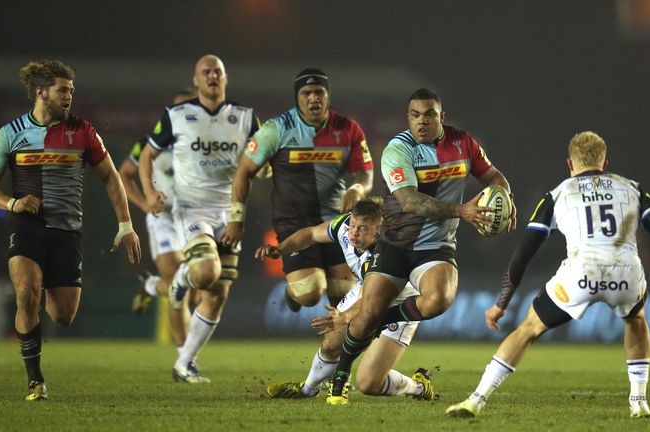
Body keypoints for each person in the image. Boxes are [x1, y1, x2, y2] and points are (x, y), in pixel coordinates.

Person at [445, 131, 650, 419]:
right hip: (626, 273)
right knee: (636, 320)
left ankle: (476, 400)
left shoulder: (558, 194)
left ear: (570, 163)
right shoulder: (632, 188)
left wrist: (502, 303)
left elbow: (525, 251)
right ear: (605, 162)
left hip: (581, 273)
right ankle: (638, 401)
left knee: (528, 329)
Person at [326, 88, 516, 405]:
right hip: (395, 247)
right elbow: (409, 201)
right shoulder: (398, 149)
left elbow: (494, 176)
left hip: (435, 248)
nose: (422, 121)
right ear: (408, 118)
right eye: (415, 115)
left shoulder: (463, 143)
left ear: (442, 116)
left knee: (440, 298)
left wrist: (506, 198)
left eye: (429, 114)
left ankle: (383, 319)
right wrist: (462, 211)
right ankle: (340, 381)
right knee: (367, 324)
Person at [0, 60, 141, 401]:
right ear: (41, 92)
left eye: (71, 91)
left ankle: (37, 337)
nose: (69, 96)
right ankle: (35, 380)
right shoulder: (11, 133)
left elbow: (110, 176)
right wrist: (12, 204)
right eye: (62, 90)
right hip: (27, 227)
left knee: (63, 316)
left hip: (67, 232)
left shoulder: (83, 131)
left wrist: (125, 224)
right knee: (26, 292)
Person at [139, 55, 258, 383]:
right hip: (191, 209)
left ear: (225, 77)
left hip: (230, 213)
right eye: (205, 72)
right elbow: (146, 156)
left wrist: (264, 169)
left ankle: (184, 364)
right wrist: (148, 194)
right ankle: (180, 281)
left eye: (217, 71)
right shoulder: (176, 115)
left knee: (218, 294)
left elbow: (258, 158)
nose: (212, 76)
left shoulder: (245, 117)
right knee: (206, 273)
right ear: (196, 80)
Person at [221, 68, 373, 312]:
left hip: (335, 221)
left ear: (327, 96)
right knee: (310, 293)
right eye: (307, 93)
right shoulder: (276, 129)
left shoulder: (348, 129)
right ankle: (294, 290)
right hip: (293, 223)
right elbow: (243, 171)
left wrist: (357, 188)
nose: (314, 98)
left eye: (319, 92)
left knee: (346, 299)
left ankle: (335, 349)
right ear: (297, 98)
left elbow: (365, 173)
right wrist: (236, 220)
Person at [258, 198, 435, 401]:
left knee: (369, 383)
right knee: (331, 344)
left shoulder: (389, 250)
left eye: (362, 228)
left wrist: (347, 315)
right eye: (352, 225)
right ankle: (308, 389)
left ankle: (419, 387)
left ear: (379, 229)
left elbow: (375, 298)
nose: (353, 232)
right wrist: (281, 249)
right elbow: (311, 233)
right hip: (365, 290)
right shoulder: (343, 227)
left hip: (399, 304)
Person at [119, 88, 197, 349]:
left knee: (196, 287)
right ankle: (184, 356)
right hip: (163, 217)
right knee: (178, 282)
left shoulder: (205, 143)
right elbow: (124, 174)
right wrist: (143, 203)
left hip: (195, 217)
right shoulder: (151, 142)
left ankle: (151, 286)